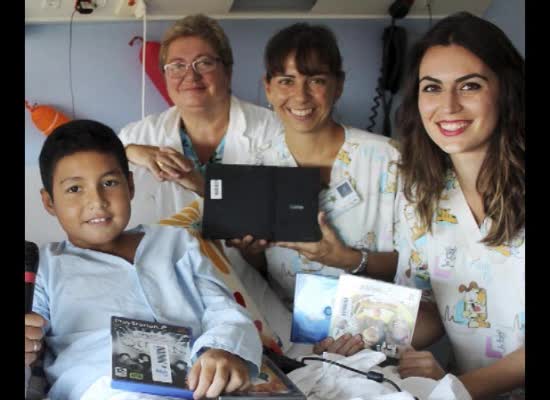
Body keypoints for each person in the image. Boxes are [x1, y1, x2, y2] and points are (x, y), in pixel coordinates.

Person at [23, 120, 262, 400]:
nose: (97, 201)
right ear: (49, 202)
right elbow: (31, 339)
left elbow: (225, 311)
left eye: (109, 183)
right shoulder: (43, 268)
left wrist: (222, 349)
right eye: (75, 189)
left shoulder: (176, 243)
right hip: (102, 389)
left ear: (131, 186)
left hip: (198, 385)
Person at [229, 23, 401, 356]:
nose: (301, 96)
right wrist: (252, 253)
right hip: (290, 345)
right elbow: (267, 274)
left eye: (316, 80)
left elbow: (422, 267)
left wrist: (349, 260)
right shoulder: (259, 168)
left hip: (373, 340)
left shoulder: (390, 160)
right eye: (286, 81)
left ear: (338, 86)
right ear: (267, 88)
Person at [392, 12, 524, 399]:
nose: (447, 106)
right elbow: (429, 305)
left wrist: (455, 389)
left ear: (506, 90)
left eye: (469, 86)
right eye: (431, 88)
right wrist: (362, 331)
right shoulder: (421, 198)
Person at [118, 14, 282, 216]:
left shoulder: (273, 129)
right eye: (177, 66)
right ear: (165, 76)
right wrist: (128, 151)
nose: (190, 76)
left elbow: (285, 209)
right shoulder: (139, 134)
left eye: (203, 63)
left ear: (228, 72)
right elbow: (98, 166)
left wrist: (201, 186)